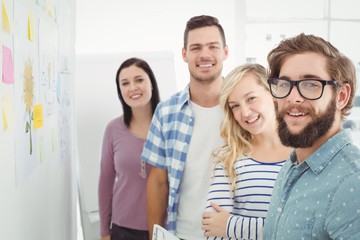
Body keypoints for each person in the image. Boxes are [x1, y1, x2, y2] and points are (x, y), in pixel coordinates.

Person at [263, 33, 360, 239]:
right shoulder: (291, 166)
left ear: (341, 96)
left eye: (310, 84)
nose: (293, 98)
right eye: (284, 84)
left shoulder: (353, 182)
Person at [141, 15, 229, 239]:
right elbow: (158, 181)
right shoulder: (166, 112)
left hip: (233, 233)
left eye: (213, 47)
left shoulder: (247, 111)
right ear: (184, 54)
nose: (205, 55)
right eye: (196, 47)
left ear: (225, 52)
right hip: (182, 234)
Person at [201, 63, 292, 240]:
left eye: (251, 99)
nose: (244, 112)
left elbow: (305, 229)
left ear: (273, 94)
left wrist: (230, 225)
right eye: (235, 106)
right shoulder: (228, 158)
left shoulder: (305, 155)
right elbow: (212, 230)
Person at [98, 57, 160, 240]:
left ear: (151, 83)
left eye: (139, 80)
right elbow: (105, 182)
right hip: (123, 229)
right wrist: (104, 231)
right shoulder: (113, 129)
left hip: (164, 227)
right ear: (120, 91)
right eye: (125, 83)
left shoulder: (168, 126)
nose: (132, 87)